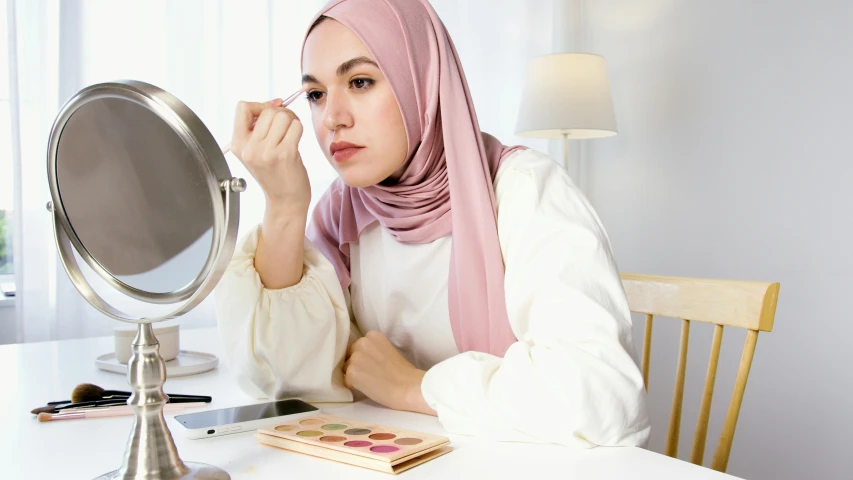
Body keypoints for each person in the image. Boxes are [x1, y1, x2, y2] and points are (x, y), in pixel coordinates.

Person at [214, 0, 650, 448]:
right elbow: (287, 379)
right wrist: (285, 206)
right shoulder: (341, 212)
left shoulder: (522, 191)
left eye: (360, 81)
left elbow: (601, 397)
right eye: (316, 94)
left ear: (421, 81)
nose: (332, 118)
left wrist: (414, 386)